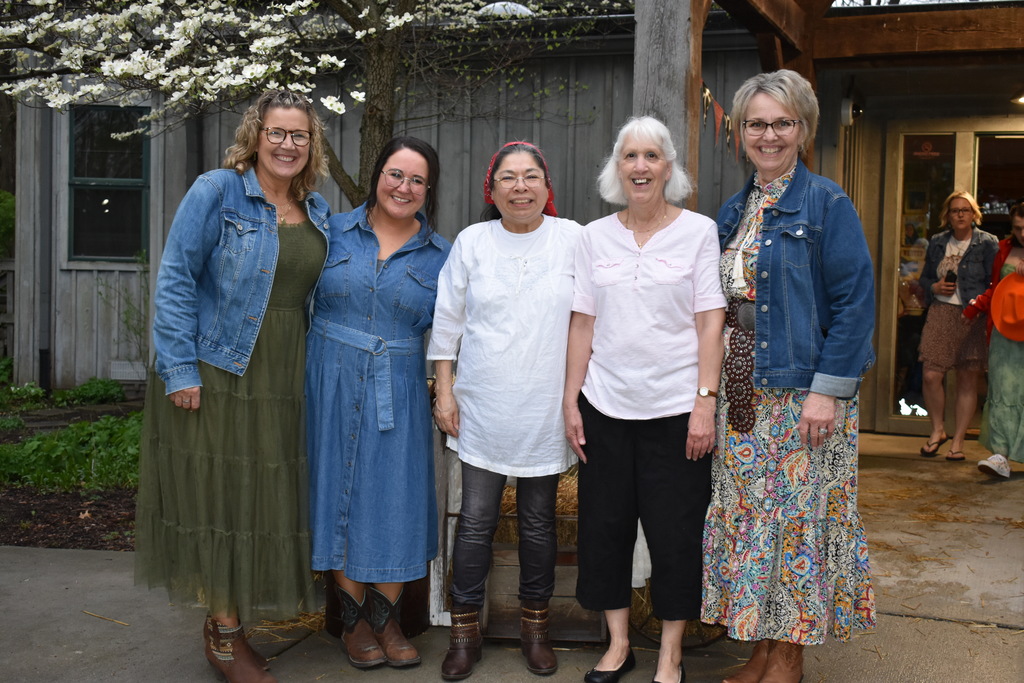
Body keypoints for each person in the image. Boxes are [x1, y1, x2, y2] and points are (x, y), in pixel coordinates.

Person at [135, 90, 331, 683]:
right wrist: (179, 369)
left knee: (261, 501)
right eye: (277, 132)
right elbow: (174, 278)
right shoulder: (216, 192)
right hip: (219, 367)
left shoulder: (317, 209)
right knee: (218, 497)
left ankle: (233, 624)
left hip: (286, 372)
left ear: (311, 144)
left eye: (299, 135)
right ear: (256, 134)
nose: (288, 145)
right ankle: (224, 634)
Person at [700, 70, 877, 683]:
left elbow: (856, 304)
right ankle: (760, 649)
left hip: (803, 395)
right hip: (743, 392)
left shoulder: (827, 202)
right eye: (756, 124)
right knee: (753, 520)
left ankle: (789, 658)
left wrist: (828, 392)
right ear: (740, 132)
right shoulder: (733, 209)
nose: (768, 135)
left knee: (799, 525)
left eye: (782, 123)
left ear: (802, 129)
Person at [563, 116, 725, 683]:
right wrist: (570, 400)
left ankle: (671, 652)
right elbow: (582, 324)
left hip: (677, 411)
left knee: (675, 531)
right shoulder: (592, 236)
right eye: (630, 156)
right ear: (616, 168)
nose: (640, 166)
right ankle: (618, 644)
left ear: (669, 167)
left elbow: (711, 323)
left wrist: (705, 401)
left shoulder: (699, 231)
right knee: (605, 528)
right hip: (605, 407)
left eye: (652, 156)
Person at [428, 141, 581, 679]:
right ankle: (464, 633)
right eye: (509, 178)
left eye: (531, 176)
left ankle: (534, 628)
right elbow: (448, 322)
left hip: (546, 406)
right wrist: (444, 392)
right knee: (475, 523)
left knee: (539, 525)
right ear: (491, 191)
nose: (521, 186)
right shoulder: (472, 242)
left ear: (547, 186)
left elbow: (591, 321)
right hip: (484, 405)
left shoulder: (573, 240)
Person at [306, 136, 451, 670]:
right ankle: (352, 620)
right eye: (395, 174)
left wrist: (446, 388)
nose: (404, 187)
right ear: (376, 177)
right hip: (328, 377)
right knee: (332, 489)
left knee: (395, 495)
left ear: (428, 189)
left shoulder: (442, 255)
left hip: (399, 384)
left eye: (416, 179)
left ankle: (386, 619)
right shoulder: (330, 231)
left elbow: (453, 333)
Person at [917, 190, 998, 461]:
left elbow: (993, 282)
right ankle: (938, 430)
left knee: (967, 378)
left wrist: (980, 308)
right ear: (947, 216)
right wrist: (934, 286)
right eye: (955, 210)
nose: (960, 214)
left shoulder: (987, 243)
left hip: (971, 315)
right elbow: (925, 278)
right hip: (940, 312)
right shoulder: (938, 242)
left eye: (965, 210)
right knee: (931, 374)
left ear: (974, 214)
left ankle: (958, 441)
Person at [964, 201, 1024, 478]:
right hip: (1004, 331)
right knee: (1002, 390)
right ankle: (1000, 455)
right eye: (1018, 228)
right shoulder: (1003, 249)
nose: (1022, 234)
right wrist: (975, 307)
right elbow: (996, 289)